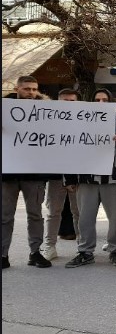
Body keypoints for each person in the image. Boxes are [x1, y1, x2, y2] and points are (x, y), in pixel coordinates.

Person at [64, 89, 116, 268]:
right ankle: (85, 251)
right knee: (85, 217)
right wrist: (69, 178)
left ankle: (115, 249)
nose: (101, 103)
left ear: (112, 101)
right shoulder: (80, 122)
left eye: (105, 100)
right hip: (87, 178)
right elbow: (69, 149)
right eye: (97, 100)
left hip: (115, 178)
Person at [1, 76, 52, 269]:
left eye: (34, 89)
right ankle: (3, 254)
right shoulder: (5, 109)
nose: (31, 93)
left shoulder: (47, 111)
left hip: (35, 173)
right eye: (26, 89)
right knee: (5, 216)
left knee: (35, 215)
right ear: (17, 89)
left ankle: (35, 253)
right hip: (8, 174)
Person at [40, 88, 82, 261]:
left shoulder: (84, 121)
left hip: (78, 175)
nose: (69, 104)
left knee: (79, 212)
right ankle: (49, 246)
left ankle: (83, 247)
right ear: (58, 102)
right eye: (65, 101)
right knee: (53, 212)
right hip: (56, 175)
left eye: (72, 101)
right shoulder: (48, 122)